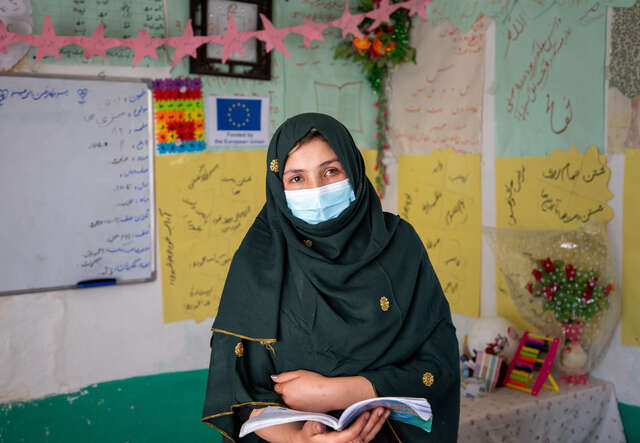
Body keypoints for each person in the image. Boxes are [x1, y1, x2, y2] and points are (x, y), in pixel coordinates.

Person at [202, 113, 460, 442]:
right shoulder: (258, 262)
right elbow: (237, 391)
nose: (317, 190)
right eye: (297, 179)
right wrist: (299, 439)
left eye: (330, 171)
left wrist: (339, 392)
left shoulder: (400, 245)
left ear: (352, 170)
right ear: (278, 186)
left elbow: (440, 363)